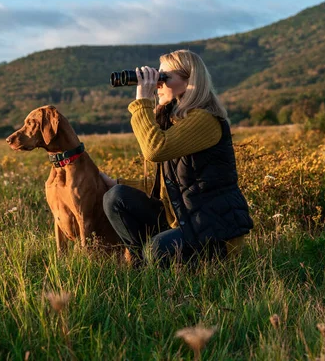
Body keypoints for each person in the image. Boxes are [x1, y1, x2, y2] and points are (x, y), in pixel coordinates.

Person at [100, 49, 253, 267]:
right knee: (116, 196)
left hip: (212, 231)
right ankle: (139, 264)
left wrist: (142, 100)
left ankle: (155, 262)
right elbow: (169, 186)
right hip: (184, 221)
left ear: (190, 81)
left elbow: (155, 150)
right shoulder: (173, 120)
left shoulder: (204, 120)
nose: (157, 84)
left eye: (164, 78)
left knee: (156, 249)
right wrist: (116, 183)